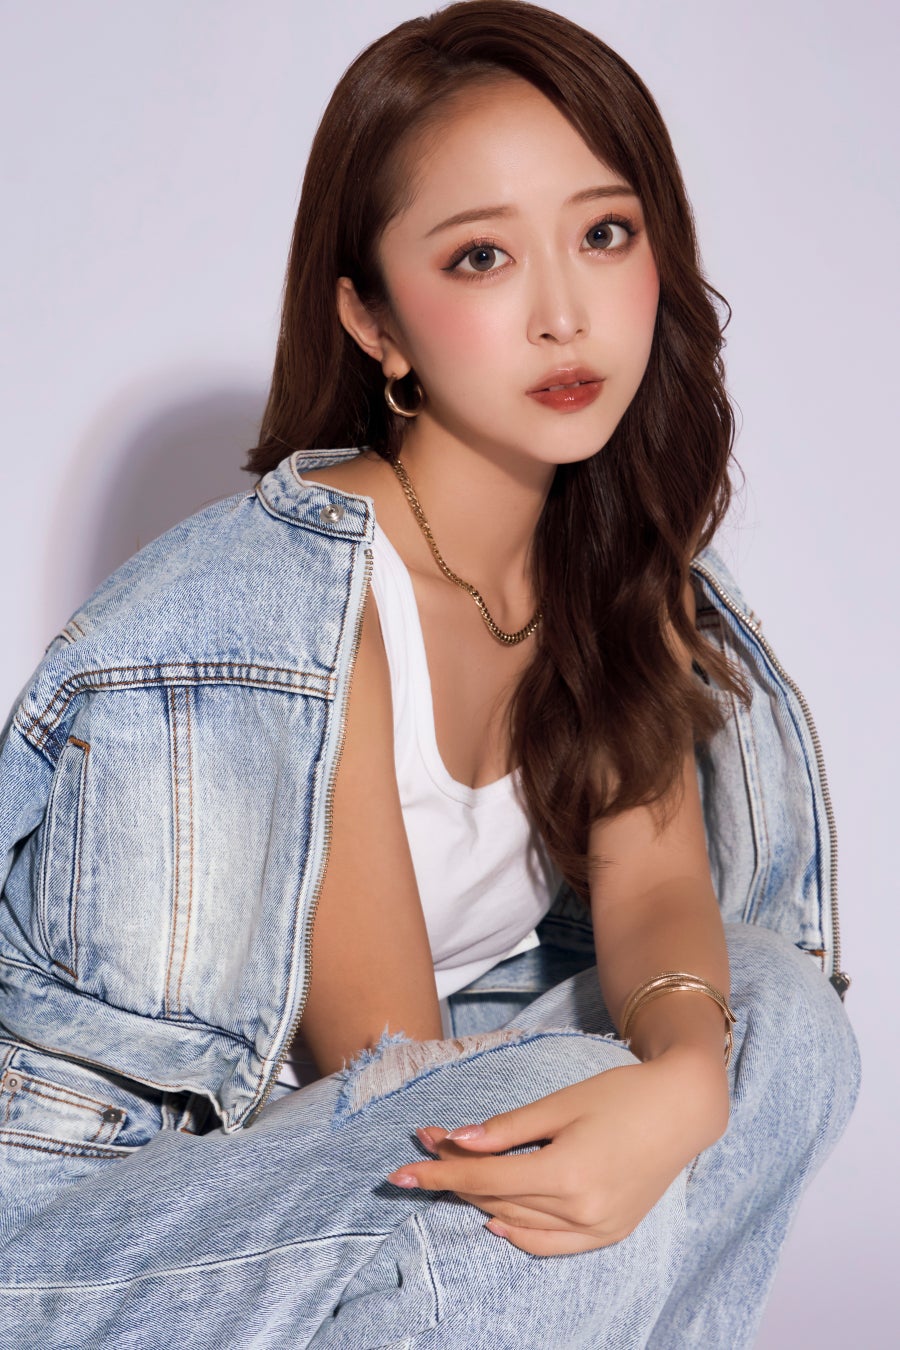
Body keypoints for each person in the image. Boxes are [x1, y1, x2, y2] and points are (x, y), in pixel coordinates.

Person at [0, 2, 859, 1345]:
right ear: (375, 320)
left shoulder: (615, 565)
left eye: (604, 233)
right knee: (530, 1148)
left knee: (778, 1021)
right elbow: (395, 1074)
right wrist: (620, 1108)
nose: (564, 313)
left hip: (364, 1139)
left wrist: (688, 1083)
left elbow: (655, 896)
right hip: (104, 1225)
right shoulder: (289, 606)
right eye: (481, 257)